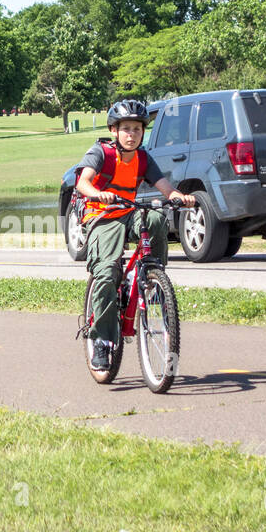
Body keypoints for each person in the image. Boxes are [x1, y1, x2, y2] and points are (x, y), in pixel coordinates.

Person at [76, 99, 195, 372]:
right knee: (106, 272)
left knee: (155, 217)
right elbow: (82, 181)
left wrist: (178, 197)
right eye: (126, 128)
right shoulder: (101, 152)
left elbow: (165, 186)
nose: (132, 134)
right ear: (114, 130)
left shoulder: (143, 158)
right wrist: (98, 193)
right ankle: (103, 341)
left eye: (137, 129)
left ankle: (154, 275)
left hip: (128, 211)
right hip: (101, 216)